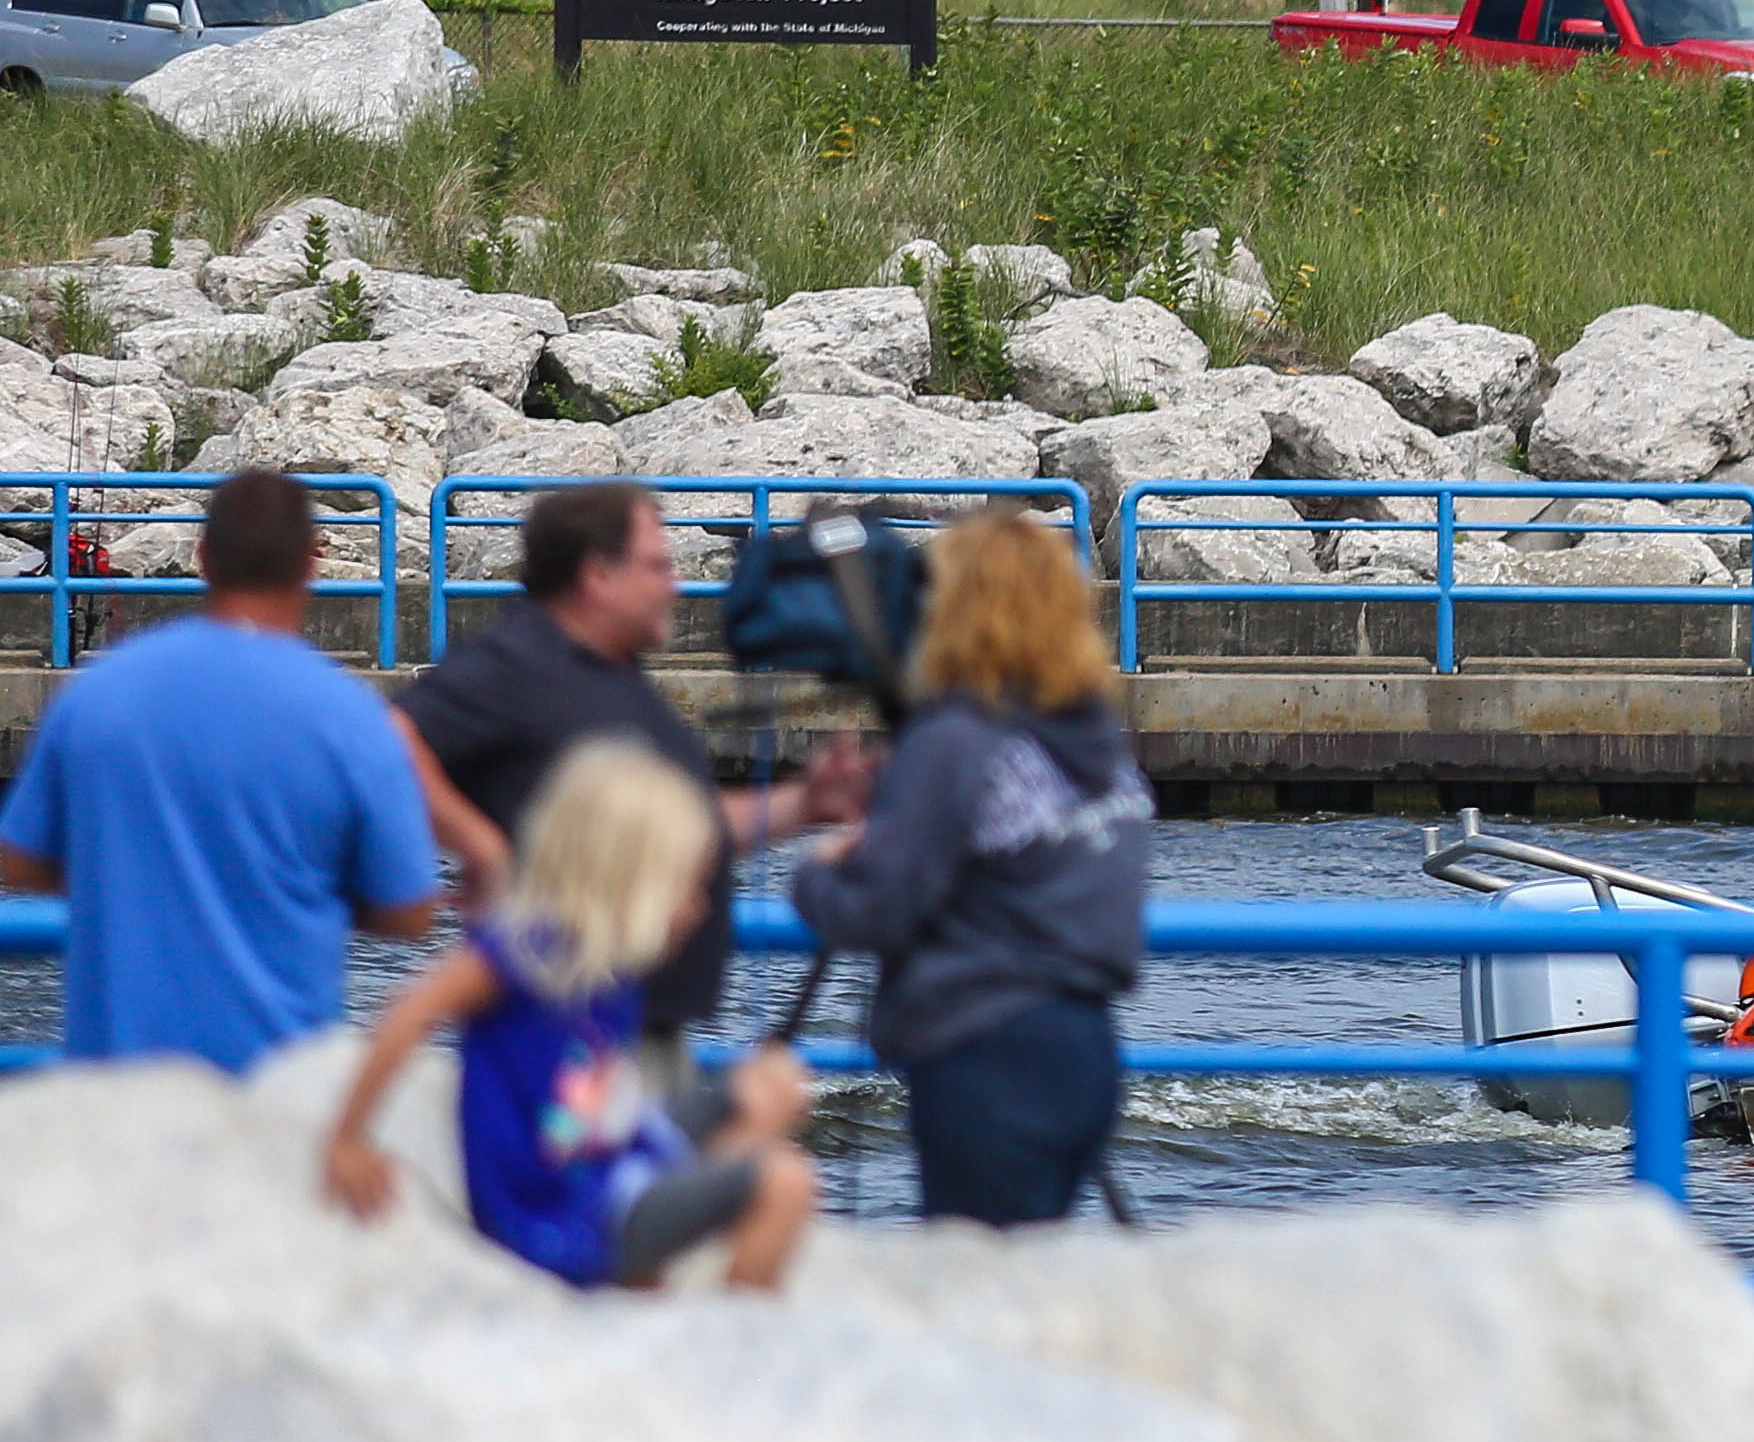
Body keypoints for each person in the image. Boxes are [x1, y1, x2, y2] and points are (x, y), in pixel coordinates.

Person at [398, 479, 867, 1079]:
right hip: (565, 1034)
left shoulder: (618, 679)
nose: (674, 586)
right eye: (657, 566)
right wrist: (481, 846)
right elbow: (386, 742)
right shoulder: (516, 664)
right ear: (597, 575)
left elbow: (675, 832)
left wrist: (805, 803)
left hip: (638, 1027)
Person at [317, 740, 817, 1292]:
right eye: (687, 885)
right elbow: (408, 1014)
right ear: (631, 879)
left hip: (614, 1169)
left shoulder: (609, 968)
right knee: (784, 1182)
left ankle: (657, 1276)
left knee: (768, 1087)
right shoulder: (523, 950)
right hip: (558, 1218)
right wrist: (348, 1138)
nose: (700, 906)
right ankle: (725, 1337)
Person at [0, 467, 438, 1067]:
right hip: (275, 1088)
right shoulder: (350, 715)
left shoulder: (100, 690)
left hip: (120, 1089)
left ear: (204, 558)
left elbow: (20, 858)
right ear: (310, 567)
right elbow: (410, 907)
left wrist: (129, 879)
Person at [786, 509, 1152, 1224]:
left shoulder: (954, 740)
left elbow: (878, 908)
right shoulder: (1095, 742)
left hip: (984, 1057)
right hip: (1087, 1050)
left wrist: (815, 876)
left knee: (975, 1283)